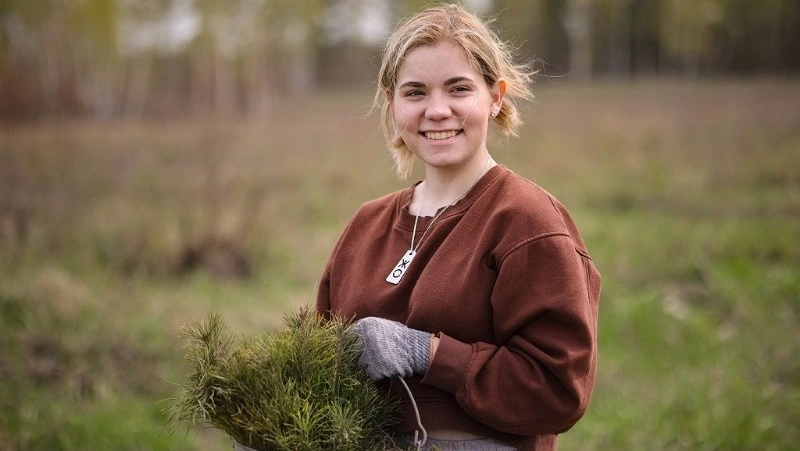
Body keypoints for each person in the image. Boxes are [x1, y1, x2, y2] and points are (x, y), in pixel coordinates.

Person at [316, 4, 600, 451]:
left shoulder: (526, 221)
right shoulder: (366, 224)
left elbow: (558, 391)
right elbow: (320, 368)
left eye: (458, 89)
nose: (437, 110)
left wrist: (427, 354)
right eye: (415, 93)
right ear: (392, 104)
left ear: (496, 97)